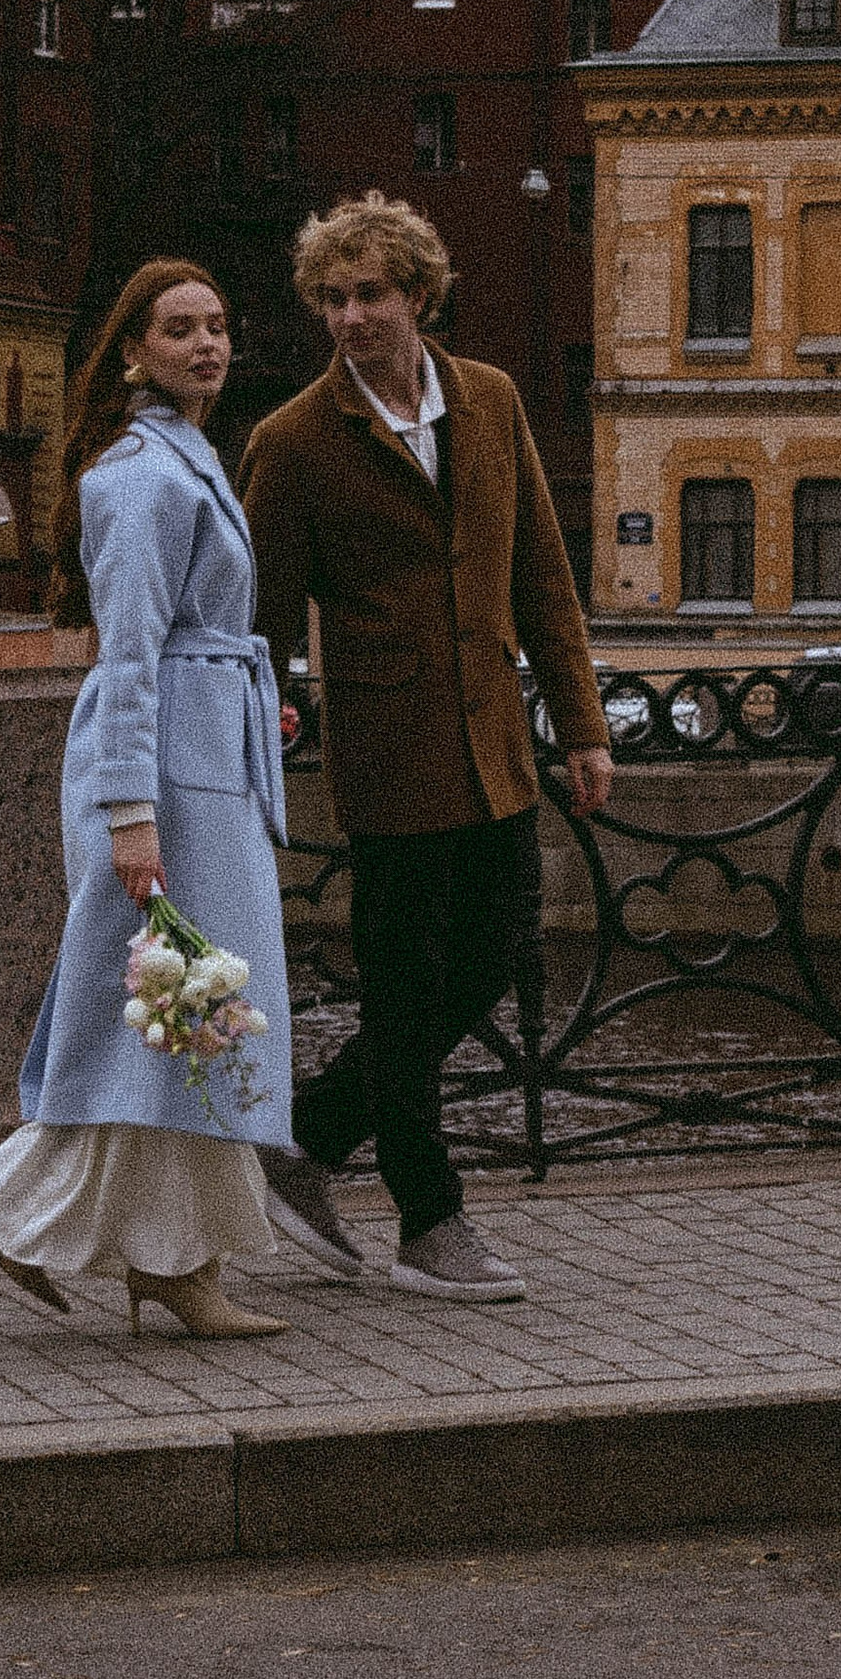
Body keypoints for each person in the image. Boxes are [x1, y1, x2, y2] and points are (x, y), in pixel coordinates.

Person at [239, 191, 613, 1300]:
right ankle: (429, 1220)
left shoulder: (490, 402)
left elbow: (542, 574)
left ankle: (305, 1139)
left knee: (495, 959)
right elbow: (257, 619)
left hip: (494, 741)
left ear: (419, 295)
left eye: (371, 294)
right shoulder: (295, 439)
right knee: (405, 991)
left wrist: (580, 725)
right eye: (332, 298)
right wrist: (264, 720)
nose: (351, 317)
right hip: (391, 750)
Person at [0, 257, 293, 1341]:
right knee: (166, 1015)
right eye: (180, 329)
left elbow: (190, 642)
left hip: (203, 759)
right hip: (169, 788)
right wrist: (129, 814)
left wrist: (252, 707)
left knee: (192, 1021)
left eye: (219, 325)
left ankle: (176, 1264)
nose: (207, 345)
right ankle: (31, 1217)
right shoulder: (138, 476)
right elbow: (133, 653)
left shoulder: (178, 457)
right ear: (134, 351)